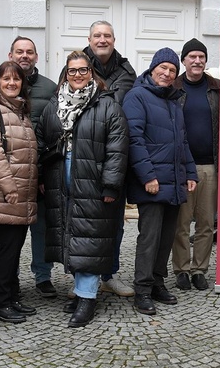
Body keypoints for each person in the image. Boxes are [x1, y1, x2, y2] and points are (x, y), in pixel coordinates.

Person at [38, 51, 128, 327]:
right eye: (72, 71)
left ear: (92, 73)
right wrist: (42, 174)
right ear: (66, 74)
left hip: (93, 180)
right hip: (60, 180)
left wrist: (111, 184)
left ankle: (87, 298)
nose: (78, 75)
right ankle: (80, 292)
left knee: (89, 234)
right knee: (70, 233)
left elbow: (118, 147)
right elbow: (42, 140)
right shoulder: (54, 105)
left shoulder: (107, 104)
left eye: (83, 70)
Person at [123, 48, 198, 315]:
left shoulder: (173, 101)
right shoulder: (137, 97)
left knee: (166, 237)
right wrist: (148, 177)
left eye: (172, 70)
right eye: (163, 68)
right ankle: (142, 289)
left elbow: (183, 141)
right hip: (152, 182)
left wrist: (190, 173)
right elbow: (134, 140)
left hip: (174, 180)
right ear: (152, 68)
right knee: (149, 238)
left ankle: (157, 282)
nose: (167, 74)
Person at [0, 61, 39, 324]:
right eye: (6, 79)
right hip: (7, 193)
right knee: (7, 251)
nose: (12, 83)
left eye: (16, 79)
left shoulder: (20, 110)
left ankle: (12, 297)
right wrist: (10, 187)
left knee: (13, 250)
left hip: (22, 193)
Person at [83, 21, 137, 297]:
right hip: (84, 155)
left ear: (114, 40)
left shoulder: (128, 72)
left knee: (114, 221)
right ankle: (83, 280)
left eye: (107, 35)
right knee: (83, 221)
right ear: (89, 39)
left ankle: (109, 274)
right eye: (97, 35)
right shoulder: (76, 67)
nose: (102, 40)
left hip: (117, 156)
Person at [9, 36, 60, 299]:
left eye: (30, 52)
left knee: (41, 228)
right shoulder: (0, 86)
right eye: (20, 51)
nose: (24, 56)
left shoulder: (50, 88)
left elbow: (55, 132)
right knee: (10, 232)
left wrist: (46, 168)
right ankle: (10, 278)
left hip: (41, 171)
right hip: (11, 173)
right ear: (11, 55)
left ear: (37, 57)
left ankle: (43, 276)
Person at [171, 38, 220, 292]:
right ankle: (181, 269)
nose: (197, 61)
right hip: (180, 167)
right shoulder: (173, 88)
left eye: (201, 57)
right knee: (180, 223)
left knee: (206, 224)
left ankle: (199, 270)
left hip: (210, 166)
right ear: (184, 60)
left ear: (206, 61)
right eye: (192, 57)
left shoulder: (217, 89)